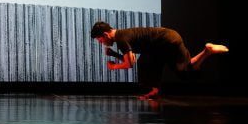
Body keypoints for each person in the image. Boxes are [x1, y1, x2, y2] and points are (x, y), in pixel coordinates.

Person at [90, 22, 229, 101]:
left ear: (105, 34)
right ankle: (207, 51)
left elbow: (129, 64)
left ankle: (207, 51)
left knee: (179, 70)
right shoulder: (122, 35)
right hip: (168, 39)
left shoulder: (120, 39)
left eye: (100, 40)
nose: (102, 43)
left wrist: (113, 67)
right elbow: (132, 60)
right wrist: (114, 54)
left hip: (166, 41)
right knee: (182, 70)